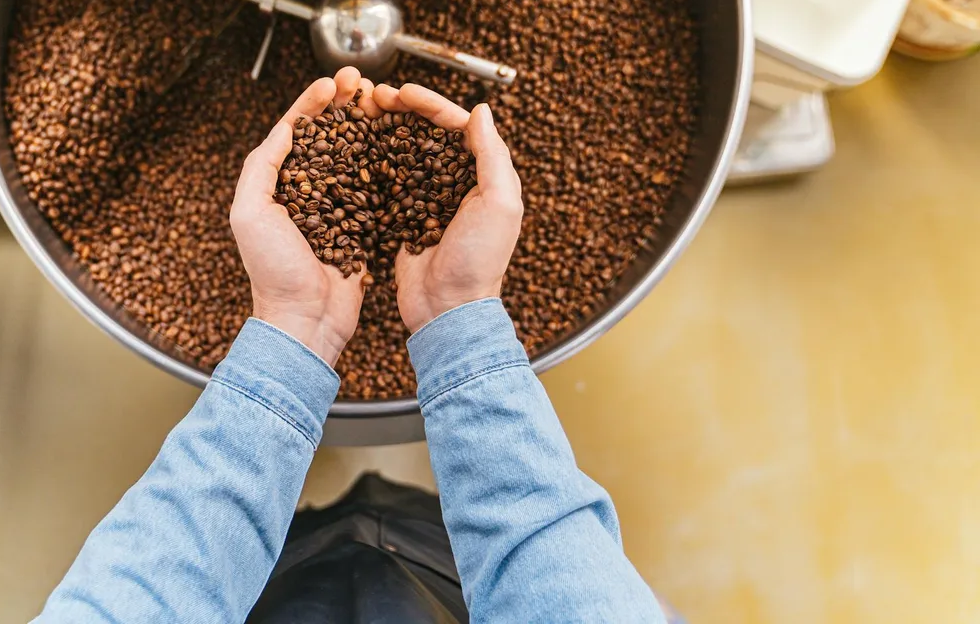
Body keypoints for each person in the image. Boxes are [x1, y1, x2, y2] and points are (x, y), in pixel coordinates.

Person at [33, 69, 667, 623]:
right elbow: (564, 581)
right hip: (445, 559)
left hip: (276, 580)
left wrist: (293, 327)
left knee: (327, 535)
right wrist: (461, 312)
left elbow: (142, 595)